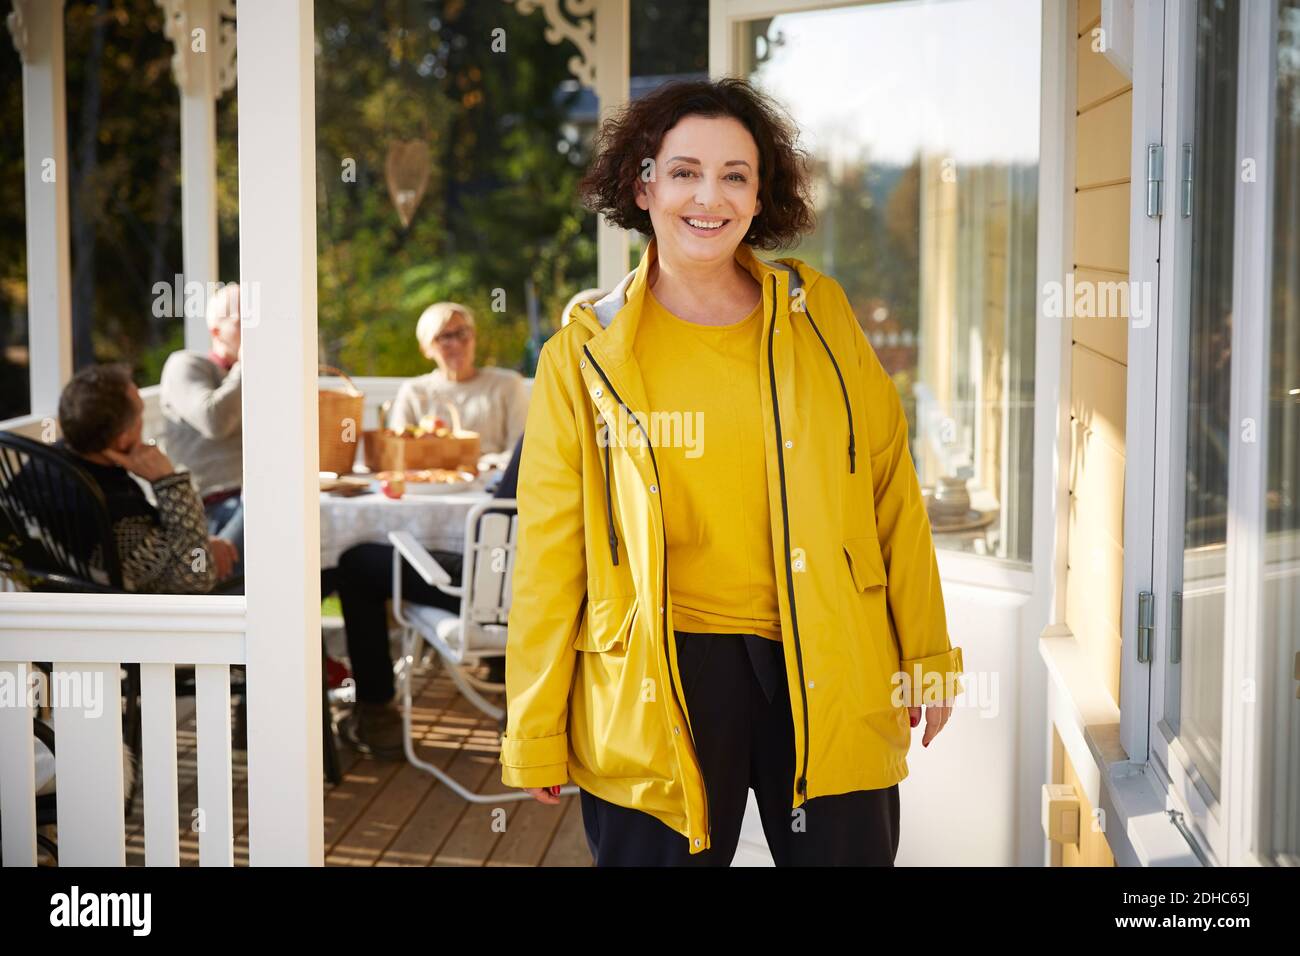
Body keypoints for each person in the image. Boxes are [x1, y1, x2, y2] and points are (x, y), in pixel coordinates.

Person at [500, 77, 965, 866]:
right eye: (682, 172)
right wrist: (536, 725)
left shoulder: (821, 316)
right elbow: (550, 554)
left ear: (760, 196)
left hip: (829, 655)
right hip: (658, 676)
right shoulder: (581, 355)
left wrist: (926, 655)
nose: (706, 197)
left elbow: (890, 488)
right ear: (642, 185)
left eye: (734, 175)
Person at [322, 434, 523, 759]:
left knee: (358, 565)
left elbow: (491, 526)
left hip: (495, 597)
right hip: (540, 591)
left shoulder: (541, 432)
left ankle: (378, 719)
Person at [53, 363, 238, 593]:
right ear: (122, 439)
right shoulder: (115, 514)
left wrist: (201, 546)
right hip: (147, 612)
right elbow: (198, 576)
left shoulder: (46, 464)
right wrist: (169, 482)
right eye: (140, 415)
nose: (142, 421)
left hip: (81, 592)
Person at [159, 281, 244, 575]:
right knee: (278, 512)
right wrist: (249, 364)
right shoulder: (186, 365)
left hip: (250, 500)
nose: (253, 327)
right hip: (210, 512)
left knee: (345, 556)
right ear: (216, 330)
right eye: (242, 319)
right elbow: (214, 421)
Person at [388, 302, 528, 471]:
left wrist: (482, 465)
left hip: (491, 485)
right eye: (444, 337)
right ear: (426, 349)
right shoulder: (413, 391)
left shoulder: (507, 384)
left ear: (474, 337)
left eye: (462, 333)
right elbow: (398, 450)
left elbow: (522, 451)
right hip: (432, 486)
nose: (456, 344)